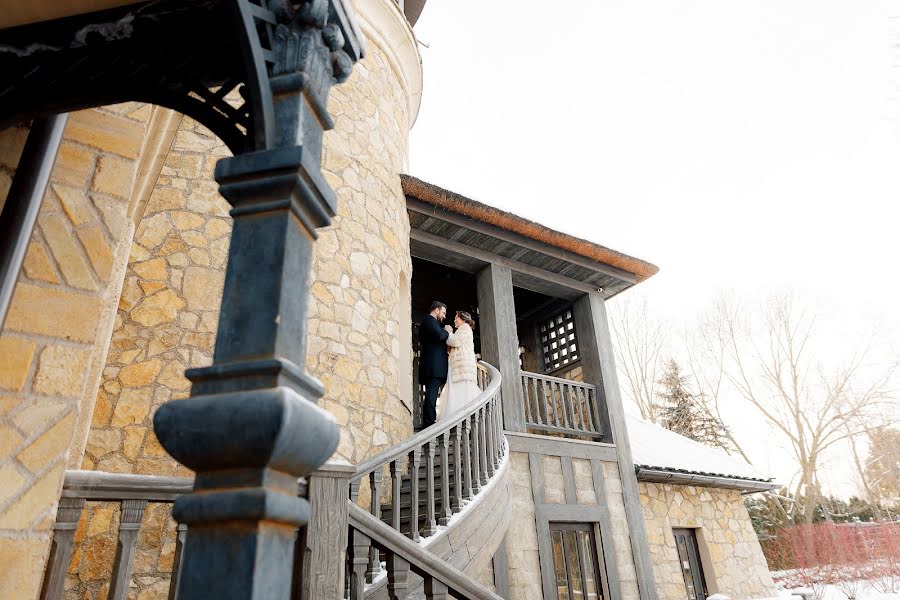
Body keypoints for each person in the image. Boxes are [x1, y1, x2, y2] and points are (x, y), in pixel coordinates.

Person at [438, 311, 480, 422]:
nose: (454, 320)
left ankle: (460, 420)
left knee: (461, 394)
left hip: (462, 368)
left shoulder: (465, 328)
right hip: (459, 367)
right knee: (458, 394)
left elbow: (455, 341)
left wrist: (449, 332)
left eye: (456, 318)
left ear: (463, 319)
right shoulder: (462, 330)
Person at [418, 301, 448, 429]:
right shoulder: (429, 321)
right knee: (431, 395)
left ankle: (429, 422)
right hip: (433, 367)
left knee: (432, 395)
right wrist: (447, 331)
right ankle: (429, 425)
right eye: (443, 313)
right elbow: (439, 335)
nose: (444, 316)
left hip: (434, 367)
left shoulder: (433, 323)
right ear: (436, 310)